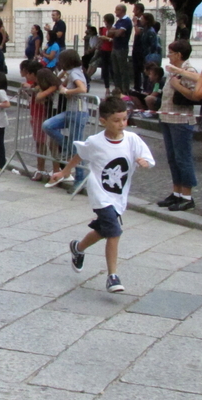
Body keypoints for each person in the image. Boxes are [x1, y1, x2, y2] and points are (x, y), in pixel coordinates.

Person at [50, 96, 154, 293]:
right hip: (100, 194)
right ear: (103, 121)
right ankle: (112, 276)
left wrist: (145, 163)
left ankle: (78, 248)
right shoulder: (95, 141)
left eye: (124, 119)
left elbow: (147, 158)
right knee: (114, 232)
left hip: (118, 196)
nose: (122, 124)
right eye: (116, 120)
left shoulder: (132, 140)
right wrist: (64, 172)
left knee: (104, 230)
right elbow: (80, 154)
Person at [157, 39, 199, 212]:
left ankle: (187, 196)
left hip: (181, 120)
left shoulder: (189, 71)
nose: (169, 56)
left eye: (171, 53)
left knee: (183, 158)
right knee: (173, 157)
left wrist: (178, 86)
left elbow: (195, 95)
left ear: (179, 55)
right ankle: (176, 192)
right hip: (168, 117)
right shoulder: (174, 71)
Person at [43, 49, 89, 184]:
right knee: (48, 125)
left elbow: (82, 89)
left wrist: (67, 91)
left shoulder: (75, 73)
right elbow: (58, 81)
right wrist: (63, 73)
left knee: (77, 148)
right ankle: (68, 147)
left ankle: (79, 180)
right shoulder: (72, 72)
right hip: (71, 111)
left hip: (78, 111)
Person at [24, 63, 59, 181]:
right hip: (37, 115)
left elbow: (40, 98)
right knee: (40, 143)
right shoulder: (35, 86)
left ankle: (56, 171)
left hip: (47, 115)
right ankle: (40, 169)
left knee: (53, 144)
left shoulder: (46, 88)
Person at [108, 4, 133, 94]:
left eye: (117, 10)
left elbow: (119, 33)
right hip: (115, 47)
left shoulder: (126, 21)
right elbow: (109, 33)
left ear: (122, 10)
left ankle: (125, 90)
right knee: (115, 70)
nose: (115, 12)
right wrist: (116, 32)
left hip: (122, 48)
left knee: (122, 70)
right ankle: (117, 89)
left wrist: (116, 32)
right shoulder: (118, 22)